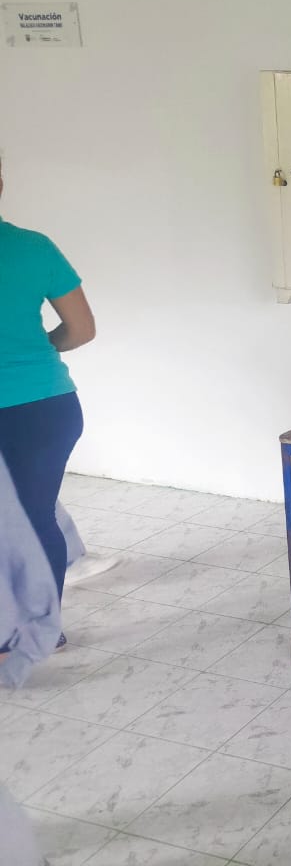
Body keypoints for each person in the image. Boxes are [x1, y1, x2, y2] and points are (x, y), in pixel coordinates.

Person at [0, 156, 95, 626]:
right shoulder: (33, 247)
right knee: (35, 516)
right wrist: (36, 351)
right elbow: (81, 329)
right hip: (46, 408)